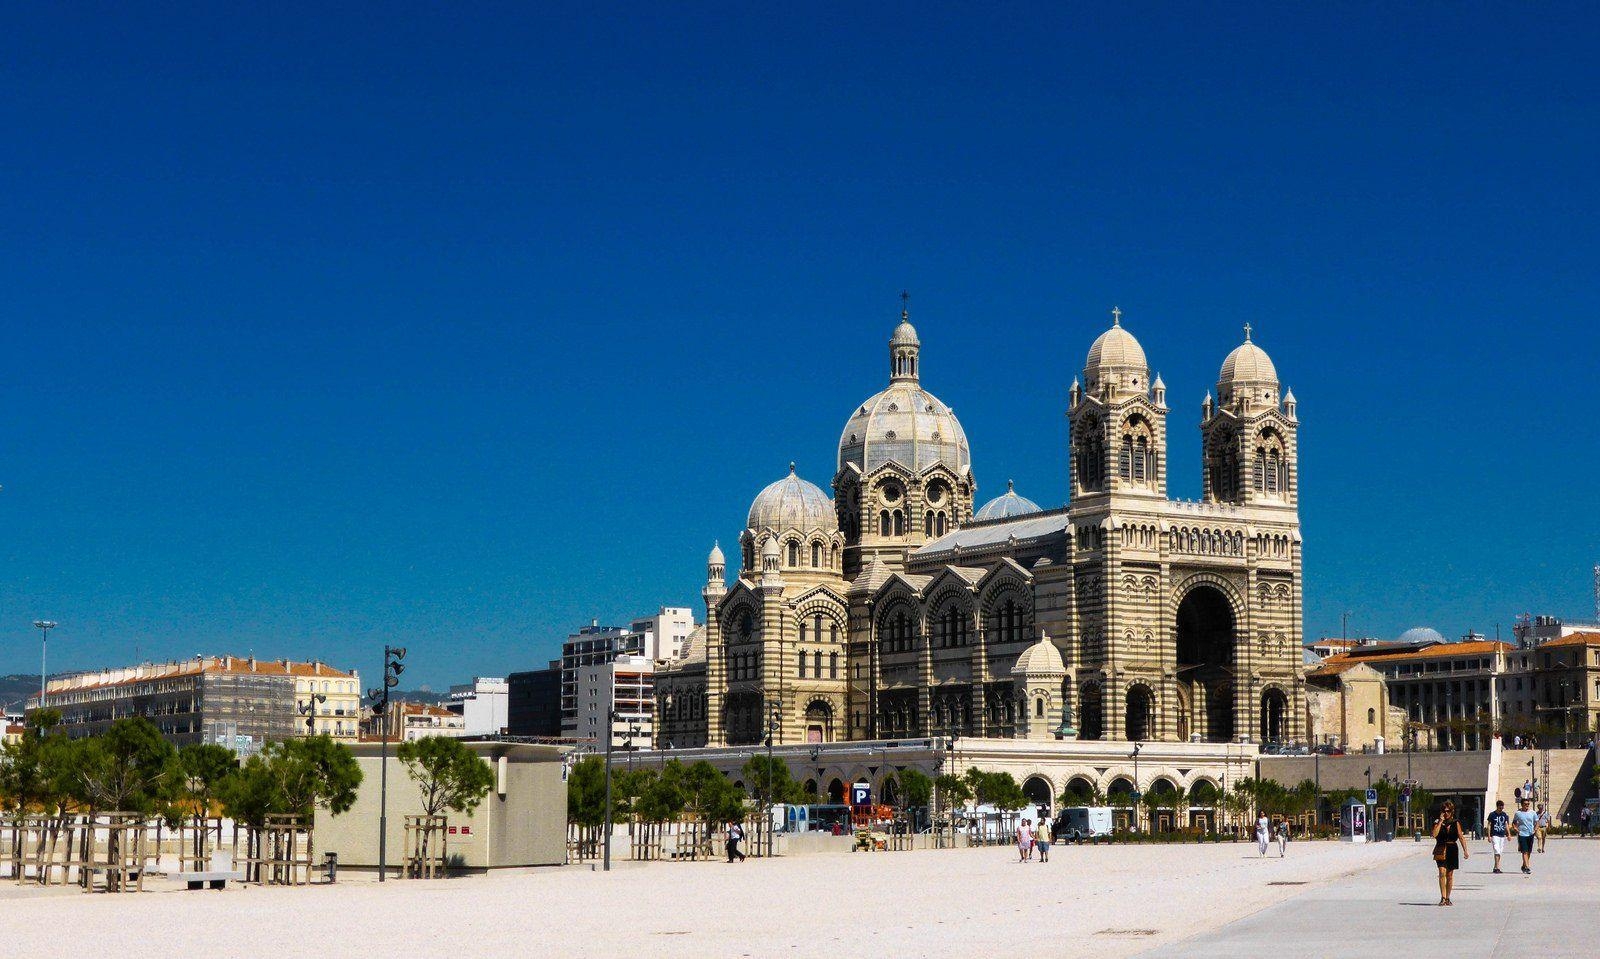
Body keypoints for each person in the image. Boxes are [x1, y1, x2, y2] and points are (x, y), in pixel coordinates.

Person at [1430, 800, 1469, 905]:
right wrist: (1440, 822)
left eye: (1448, 811)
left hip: (1452, 848)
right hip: (1441, 848)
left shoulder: (1455, 822)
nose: (1446, 813)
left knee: (1450, 875)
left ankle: (1448, 897)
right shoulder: (1437, 822)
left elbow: (1461, 837)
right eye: (1444, 811)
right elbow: (1434, 834)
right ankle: (1442, 897)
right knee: (1441, 872)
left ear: (1452, 812)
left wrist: (1465, 850)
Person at [1511, 798, 1538, 874]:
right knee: (1524, 851)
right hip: (1522, 834)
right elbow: (1514, 822)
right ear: (1522, 804)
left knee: (1529, 851)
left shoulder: (1532, 812)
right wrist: (1516, 829)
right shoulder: (1518, 813)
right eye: (1525, 804)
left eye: (1528, 804)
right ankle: (1527, 867)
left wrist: (1535, 829)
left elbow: (1537, 822)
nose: (1527, 805)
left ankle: (1523, 865)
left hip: (1530, 833)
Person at [1486, 800, 1510, 874]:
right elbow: (1489, 825)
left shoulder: (1504, 815)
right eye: (1500, 807)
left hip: (1502, 835)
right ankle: (1497, 867)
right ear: (1497, 806)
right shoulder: (1492, 814)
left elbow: (1506, 824)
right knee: (1497, 850)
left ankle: (1495, 867)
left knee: (1500, 851)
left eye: (1502, 807)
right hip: (1495, 835)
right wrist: (1489, 836)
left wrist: (1508, 834)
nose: (1501, 809)